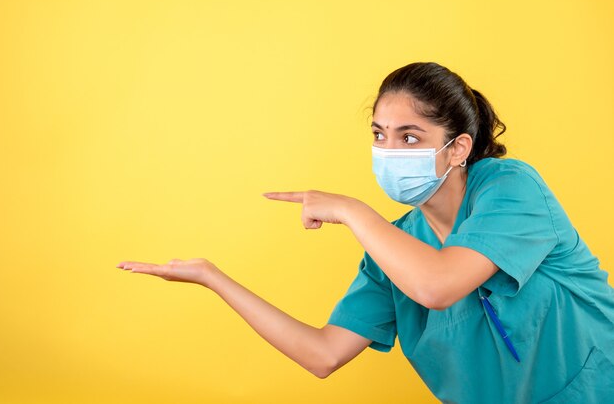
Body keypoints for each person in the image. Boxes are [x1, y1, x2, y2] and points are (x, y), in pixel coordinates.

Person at [116, 62, 614, 403]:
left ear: (459, 148)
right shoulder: (392, 250)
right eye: (379, 135)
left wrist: (353, 211)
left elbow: (438, 285)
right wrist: (212, 277)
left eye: (410, 137)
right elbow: (323, 354)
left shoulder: (510, 188)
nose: (390, 151)